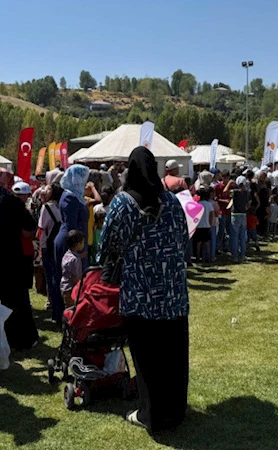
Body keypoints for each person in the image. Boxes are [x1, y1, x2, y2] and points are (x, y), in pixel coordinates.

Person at [98, 146, 189, 432]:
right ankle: (175, 410)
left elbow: (107, 246)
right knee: (173, 357)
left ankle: (151, 415)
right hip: (173, 294)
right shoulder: (172, 201)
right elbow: (183, 239)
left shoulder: (122, 204)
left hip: (141, 295)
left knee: (147, 359)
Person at [0, 168, 39, 351]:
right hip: (12, 256)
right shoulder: (12, 201)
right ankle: (21, 339)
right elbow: (30, 228)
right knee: (17, 298)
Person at [54, 164, 91, 304]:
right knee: (71, 280)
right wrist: (78, 250)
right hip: (72, 243)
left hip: (76, 241)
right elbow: (72, 226)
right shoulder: (70, 197)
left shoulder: (73, 196)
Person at [39, 183, 64, 316]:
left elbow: (41, 228)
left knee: (50, 277)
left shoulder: (46, 207)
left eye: (48, 189)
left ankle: (54, 306)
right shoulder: (63, 206)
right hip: (60, 244)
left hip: (47, 245)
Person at [60, 230, 85, 307]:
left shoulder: (67, 255)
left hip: (64, 287)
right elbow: (74, 277)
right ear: (78, 244)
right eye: (82, 242)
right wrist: (80, 286)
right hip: (71, 289)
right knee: (72, 308)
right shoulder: (75, 260)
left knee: (67, 306)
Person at [230, 176, 250, 263]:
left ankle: (235, 256)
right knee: (242, 236)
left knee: (235, 236)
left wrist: (230, 183)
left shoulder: (235, 192)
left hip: (235, 214)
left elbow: (226, 192)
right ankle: (242, 254)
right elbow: (248, 204)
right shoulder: (247, 193)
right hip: (243, 214)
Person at [84, 182, 103, 266]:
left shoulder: (87, 199)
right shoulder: (86, 200)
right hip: (87, 237)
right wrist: (93, 187)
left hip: (89, 236)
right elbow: (98, 200)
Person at [194, 188, 214, 263]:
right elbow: (211, 215)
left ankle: (198, 257)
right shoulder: (209, 204)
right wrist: (210, 224)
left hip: (199, 225)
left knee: (198, 242)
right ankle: (208, 257)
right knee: (207, 242)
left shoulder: (197, 204)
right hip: (206, 225)